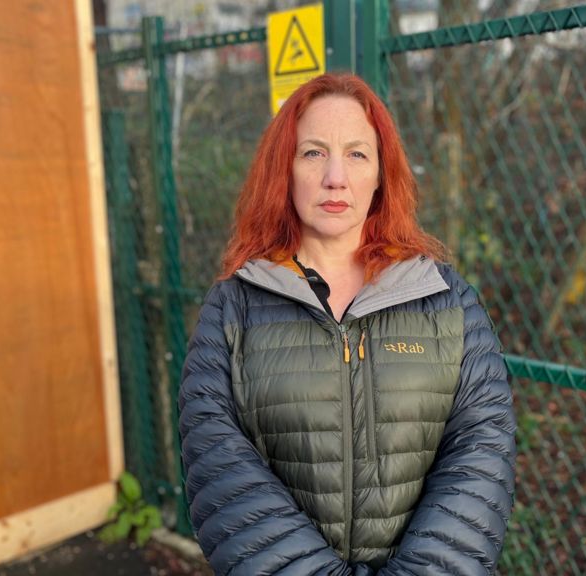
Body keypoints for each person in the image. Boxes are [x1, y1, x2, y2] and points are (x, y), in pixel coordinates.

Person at [178, 73, 516, 575]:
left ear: (382, 173)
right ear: (284, 170)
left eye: (357, 154)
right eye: (313, 153)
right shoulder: (233, 309)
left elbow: (482, 452)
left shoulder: (448, 301)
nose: (335, 176)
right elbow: (219, 469)